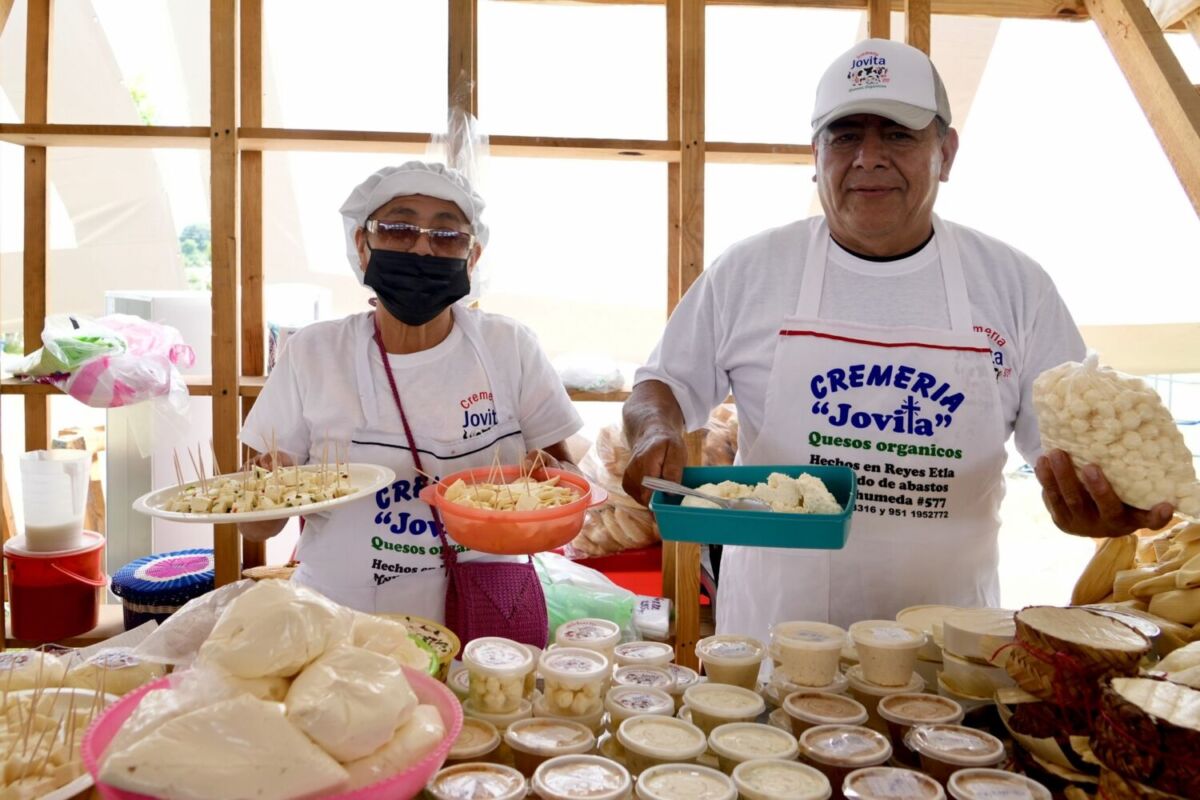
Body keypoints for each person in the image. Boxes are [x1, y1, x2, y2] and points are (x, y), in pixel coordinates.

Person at [621, 39, 1173, 638]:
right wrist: (655, 427)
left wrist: (1092, 499)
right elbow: (663, 383)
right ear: (816, 153)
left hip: (948, 651)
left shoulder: (1016, 287)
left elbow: (1070, 454)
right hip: (771, 642)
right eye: (845, 135)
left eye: (898, 135)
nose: (868, 157)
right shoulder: (752, 271)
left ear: (947, 152)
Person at [238, 161, 583, 628]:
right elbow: (255, 525)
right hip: (342, 623)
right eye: (399, 229)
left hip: (486, 620)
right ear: (362, 245)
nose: (422, 248)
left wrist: (555, 486)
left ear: (472, 257)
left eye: (446, 237)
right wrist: (265, 491)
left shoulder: (509, 347)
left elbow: (560, 482)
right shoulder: (313, 353)